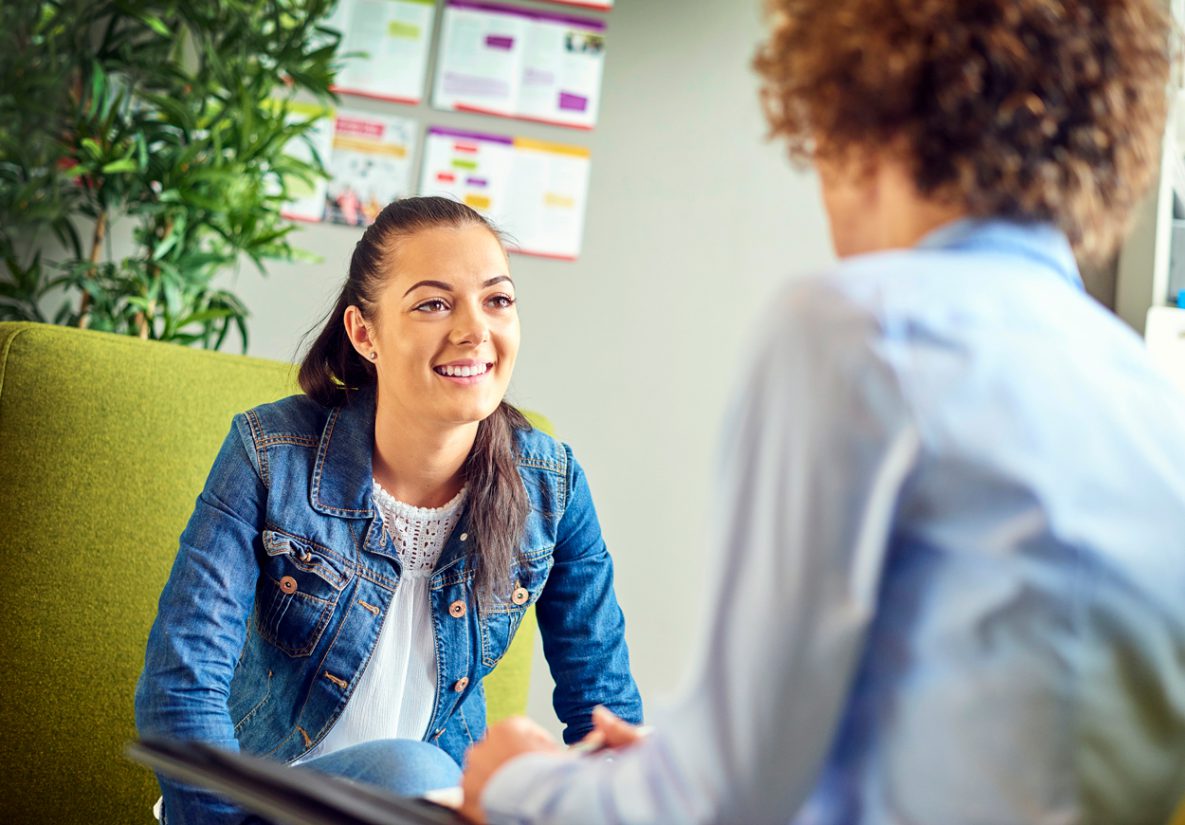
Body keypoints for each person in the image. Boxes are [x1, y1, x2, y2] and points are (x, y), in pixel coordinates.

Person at [458, 1, 1185, 823]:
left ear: (856, 112)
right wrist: (673, 761)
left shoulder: (860, 327)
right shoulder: (1153, 398)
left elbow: (717, 804)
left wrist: (517, 779)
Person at [134, 196, 643, 825]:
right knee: (414, 771)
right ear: (364, 333)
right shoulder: (270, 455)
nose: (474, 330)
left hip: (427, 811)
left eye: (497, 299)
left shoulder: (552, 486)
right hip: (260, 807)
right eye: (433, 303)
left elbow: (605, 711)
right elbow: (180, 687)